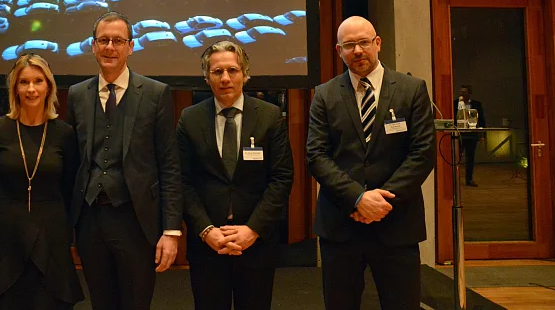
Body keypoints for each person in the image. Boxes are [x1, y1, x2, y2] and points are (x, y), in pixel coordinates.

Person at [306, 16, 436, 310]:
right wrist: (358, 199)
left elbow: (422, 153)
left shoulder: (411, 89)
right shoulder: (324, 94)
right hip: (341, 225)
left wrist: (381, 201)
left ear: (377, 43)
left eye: (363, 42)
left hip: (397, 223)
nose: (358, 50)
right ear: (338, 50)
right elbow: (316, 156)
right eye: (349, 45)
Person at [68, 11, 183, 310]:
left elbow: (169, 165)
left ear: (131, 47)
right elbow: (72, 164)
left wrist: (171, 230)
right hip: (90, 221)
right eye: (103, 40)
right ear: (92, 46)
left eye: (118, 41)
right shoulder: (77, 95)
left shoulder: (156, 94)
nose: (110, 47)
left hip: (137, 221)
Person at [177, 41, 294, 310]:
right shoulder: (190, 119)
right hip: (208, 243)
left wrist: (252, 229)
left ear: (245, 74)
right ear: (207, 78)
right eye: (217, 72)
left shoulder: (269, 116)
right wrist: (206, 231)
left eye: (232, 70)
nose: (226, 78)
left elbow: (282, 178)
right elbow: (182, 181)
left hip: (255, 243)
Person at [0, 54, 83, 310]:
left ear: (49, 87)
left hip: (52, 238)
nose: (31, 89)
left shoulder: (64, 133)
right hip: (6, 238)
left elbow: (69, 189)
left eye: (38, 81)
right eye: (24, 82)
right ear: (15, 88)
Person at [458, 85, 486, 187]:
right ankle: (455, 180)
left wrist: (482, 134)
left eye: (464, 92)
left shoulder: (476, 104)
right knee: (456, 158)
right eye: (460, 92)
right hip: (459, 135)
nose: (461, 94)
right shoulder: (455, 103)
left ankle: (469, 179)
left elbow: (481, 119)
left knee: (470, 158)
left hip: (471, 134)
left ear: (469, 94)